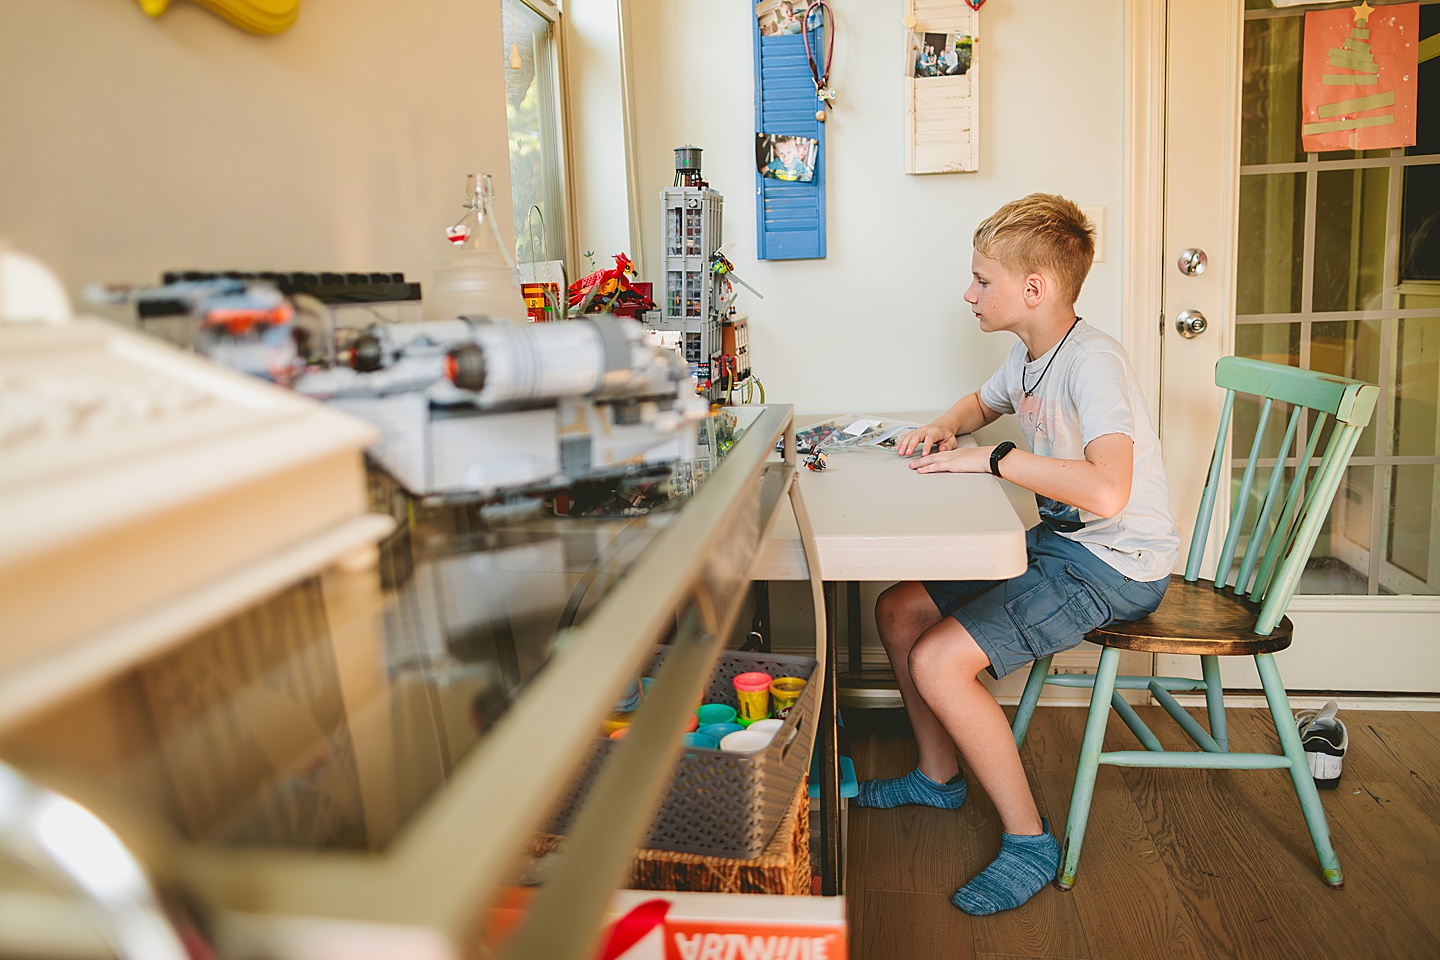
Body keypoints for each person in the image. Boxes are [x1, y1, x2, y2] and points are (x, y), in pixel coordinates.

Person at [856, 193, 1179, 916]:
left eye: (982, 280)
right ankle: (938, 778)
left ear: (1034, 289)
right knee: (899, 608)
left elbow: (1108, 492)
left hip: (1117, 563)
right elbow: (981, 402)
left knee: (940, 659)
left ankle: (1031, 840)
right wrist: (945, 428)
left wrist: (992, 460)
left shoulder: (1094, 364)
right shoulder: (1030, 355)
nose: (968, 293)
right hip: (1068, 546)